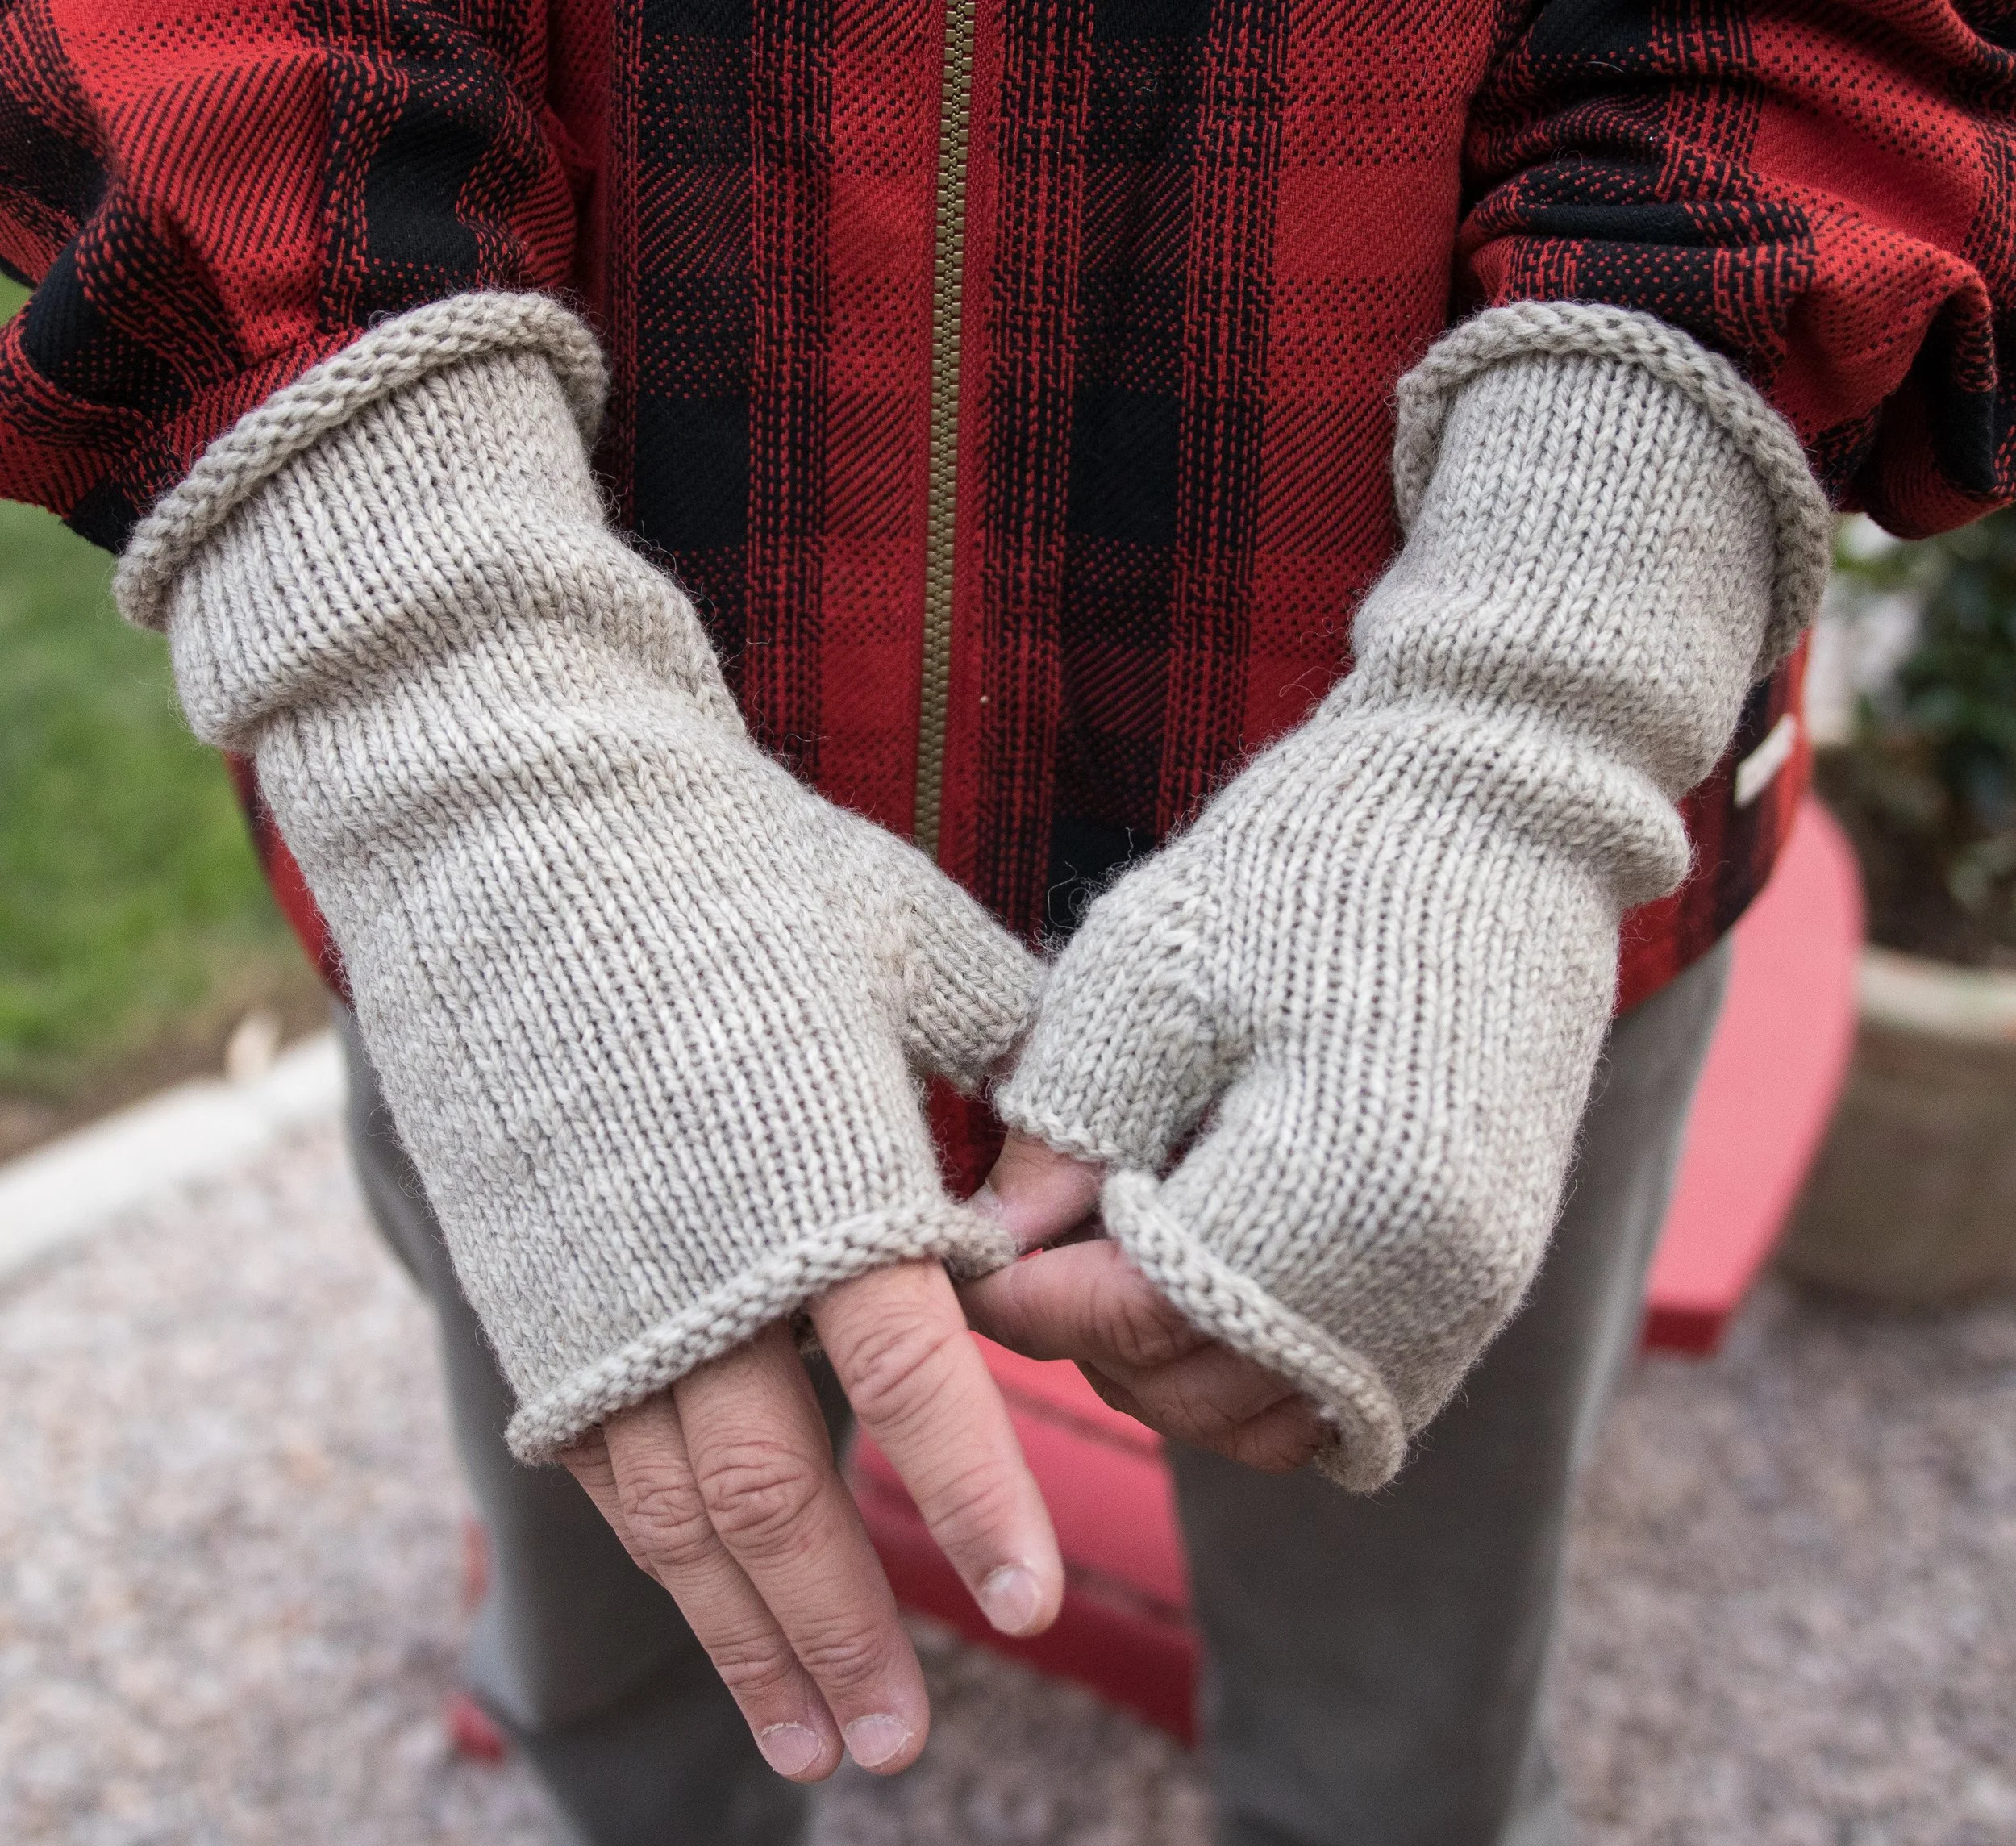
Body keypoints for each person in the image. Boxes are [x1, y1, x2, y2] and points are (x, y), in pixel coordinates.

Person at [3, 4, 2011, 1843]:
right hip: (554, 853)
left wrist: (1535, 698)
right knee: (630, 1643)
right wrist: (448, 700)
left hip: (1451, 868)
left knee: (1400, 1734)